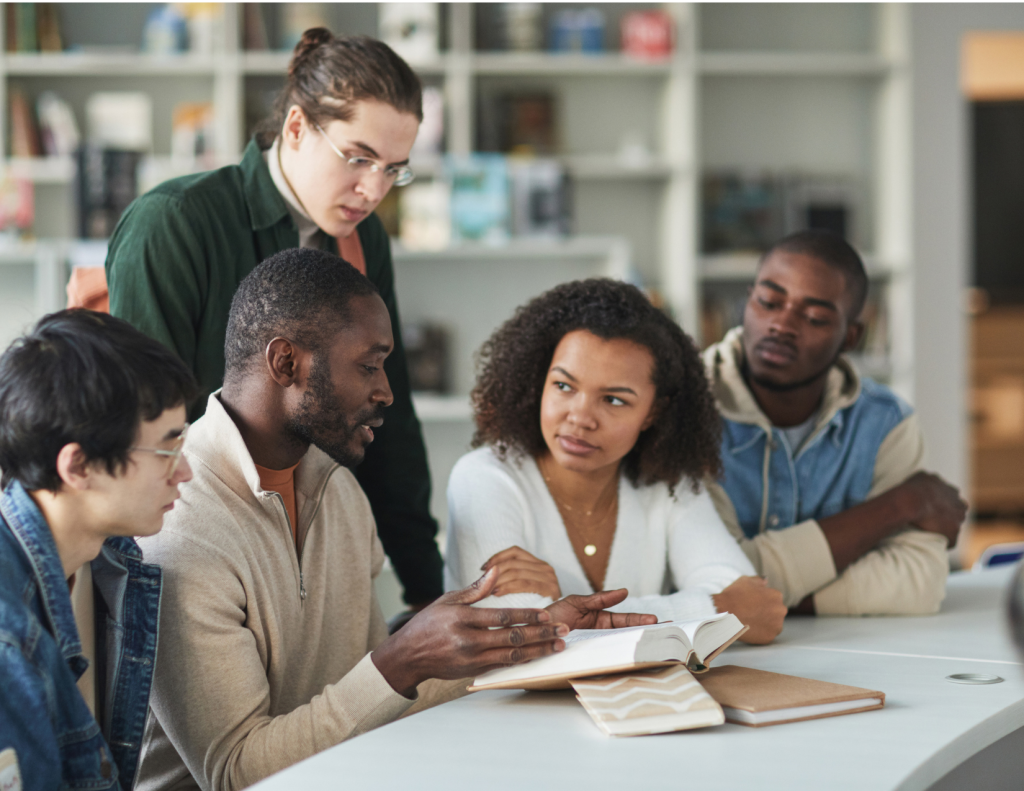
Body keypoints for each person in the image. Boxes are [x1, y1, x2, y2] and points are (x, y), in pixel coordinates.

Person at [136, 249, 655, 791]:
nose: (386, 391)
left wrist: (533, 636)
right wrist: (401, 661)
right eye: (369, 365)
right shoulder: (178, 522)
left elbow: (365, 703)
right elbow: (234, 772)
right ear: (286, 363)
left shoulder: (338, 490)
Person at [105, 30, 441, 614]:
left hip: (317, 546)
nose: (373, 189)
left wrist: (428, 591)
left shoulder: (364, 239)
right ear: (294, 128)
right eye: (358, 158)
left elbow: (391, 415)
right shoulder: (176, 222)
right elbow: (146, 431)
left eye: (394, 169)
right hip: (195, 552)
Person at [444, 278, 787, 644]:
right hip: (499, 703)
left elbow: (757, 611)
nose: (580, 417)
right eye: (563, 386)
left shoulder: (666, 483)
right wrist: (711, 607)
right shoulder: (484, 477)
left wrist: (565, 606)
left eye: (614, 400)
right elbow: (521, 638)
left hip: (643, 700)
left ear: (653, 412)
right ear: (537, 380)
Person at [703, 230, 968, 616]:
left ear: (851, 336)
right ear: (748, 300)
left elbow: (919, 579)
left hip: (846, 654)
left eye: (814, 317)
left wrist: (767, 601)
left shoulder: (885, 423)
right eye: (769, 301)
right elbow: (716, 580)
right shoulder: (686, 407)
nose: (782, 325)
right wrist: (901, 504)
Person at [0, 310, 197, 791]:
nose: (186, 470)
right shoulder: (8, 637)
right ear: (79, 465)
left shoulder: (113, 562)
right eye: (167, 450)